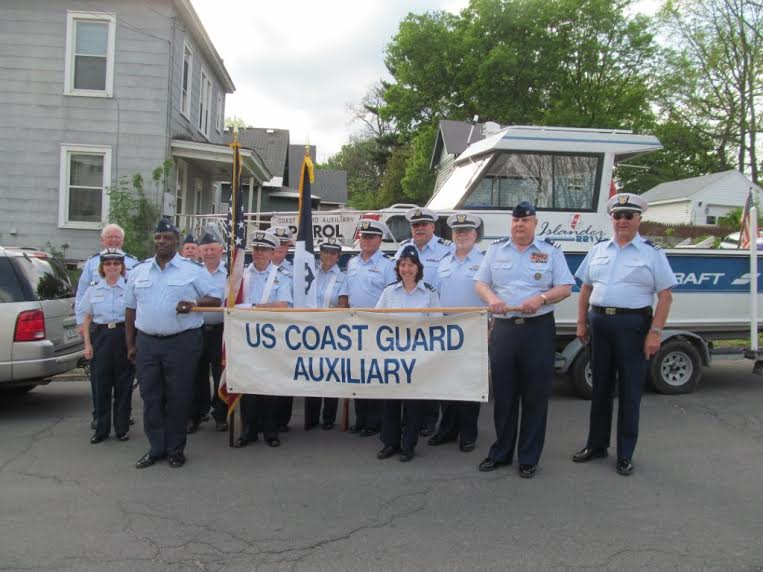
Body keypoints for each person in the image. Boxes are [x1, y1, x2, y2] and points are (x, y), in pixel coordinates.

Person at [572, 193, 676, 476]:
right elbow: (585, 289)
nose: (622, 221)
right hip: (599, 324)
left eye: (628, 216)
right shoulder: (598, 250)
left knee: (630, 391)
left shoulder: (651, 253)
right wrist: (581, 323)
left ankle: (625, 453)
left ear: (638, 219)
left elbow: (665, 297)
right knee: (600, 388)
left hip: (633, 326)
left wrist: (655, 333)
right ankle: (596, 445)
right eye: (617, 216)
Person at [474, 201, 575, 478]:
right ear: (511, 223)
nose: (519, 225)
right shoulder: (495, 250)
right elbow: (480, 283)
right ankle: (501, 452)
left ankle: (528, 458)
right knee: (504, 396)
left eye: (525, 220)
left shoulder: (550, 251)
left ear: (535, 223)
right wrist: (492, 299)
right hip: (505, 330)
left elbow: (566, 287)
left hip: (538, 329)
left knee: (535, 396)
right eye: (516, 221)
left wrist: (541, 298)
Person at [124, 219, 222, 469]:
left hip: (182, 342)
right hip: (147, 342)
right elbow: (130, 310)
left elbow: (215, 298)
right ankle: (156, 448)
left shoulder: (192, 270)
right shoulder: (139, 270)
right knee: (151, 397)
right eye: (158, 238)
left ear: (176, 241)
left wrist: (193, 305)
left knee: (178, 397)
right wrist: (131, 345)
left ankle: (176, 449)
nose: (161, 242)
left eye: (166, 238)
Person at [375, 245, 441, 462]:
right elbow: (376, 320)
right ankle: (390, 443)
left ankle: (408, 445)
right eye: (402, 264)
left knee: (413, 404)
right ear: (398, 268)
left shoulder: (429, 293)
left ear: (418, 267)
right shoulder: (389, 292)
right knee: (391, 401)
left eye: (410, 264)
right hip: (392, 354)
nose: (406, 269)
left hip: (417, 356)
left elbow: (437, 324)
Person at [428, 213, 486, 452]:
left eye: (467, 231)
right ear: (452, 235)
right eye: (458, 231)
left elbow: (493, 295)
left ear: (475, 235)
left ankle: (468, 432)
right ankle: (447, 429)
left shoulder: (485, 261)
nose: (461, 235)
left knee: (470, 383)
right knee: (447, 382)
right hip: (446, 330)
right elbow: (434, 296)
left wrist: (491, 325)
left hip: (474, 328)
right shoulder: (443, 262)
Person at [394, 207, 454, 436]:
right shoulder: (403, 248)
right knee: (408, 372)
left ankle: (429, 420)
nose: (419, 228)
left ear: (432, 226)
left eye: (424, 225)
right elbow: (397, 281)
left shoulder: (445, 249)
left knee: (430, 372)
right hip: (406, 324)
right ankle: (409, 419)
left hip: (433, 319)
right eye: (415, 225)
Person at [233, 230, 293, 448]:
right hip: (245, 336)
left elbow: (283, 305)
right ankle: (248, 430)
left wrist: (254, 307)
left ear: (272, 252)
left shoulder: (281, 277)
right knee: (248, 385)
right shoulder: (241, 275)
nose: (258, 253)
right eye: (256, 249)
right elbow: (230, 303)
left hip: (271, 337)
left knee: (270, 385)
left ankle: (271, 431)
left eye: (264, 249)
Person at [75, 224, 138, 429]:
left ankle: (122, 420)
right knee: (100, 380)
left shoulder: (133, 263)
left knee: (124, 379)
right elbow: (82, 292)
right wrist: (80, 324)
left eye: (117, 237)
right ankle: (99, 418)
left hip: (123, 330)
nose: (113, 241)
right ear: (103, 241)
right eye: (109, 237)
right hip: (99, 330)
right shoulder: (92, 262)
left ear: (123, 240)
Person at [346, 219, 397, 437]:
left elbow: (392, 297)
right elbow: (347, 295)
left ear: (380, 239)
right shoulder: (352, 263)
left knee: (375, 374)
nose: (365, 241)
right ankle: (361, 418)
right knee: (358, 374)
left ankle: (374, 421)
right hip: (356, 325)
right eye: (363, 237)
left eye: (370, 237)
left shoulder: (388, 265)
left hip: (378, 326)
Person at [80, 248, 134, 444]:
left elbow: (135, 315)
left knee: (124, 386)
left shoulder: (129, 287)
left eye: (116, 263)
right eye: (108, 264)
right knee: (101, 385)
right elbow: (87, 318)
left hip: (123, 336)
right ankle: (101, 430)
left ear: (122, 267)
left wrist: (134, 344)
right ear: (102, 267)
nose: (112, 267)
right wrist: (87, 344)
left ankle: (122, 429)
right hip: (101, 337)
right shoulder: (93, 289)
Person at [304, 238, 349, 431]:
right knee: (311, 372)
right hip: (310, 330)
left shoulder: (343, 277)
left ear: (338, 256)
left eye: (333, 252)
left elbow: (344, 305)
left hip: (332, 331)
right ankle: (311, 417)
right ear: (320, 253)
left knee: (331, 373)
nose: (328, 256)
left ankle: (328, 418)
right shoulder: (310, 272)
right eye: (325, 251)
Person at [187, 232, 228, 434]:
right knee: (195, 374)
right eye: (205, 249)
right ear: (199, 252)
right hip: (196, 329)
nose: (210, 253)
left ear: (221, 249)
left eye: (213, 248)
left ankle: (220, 414)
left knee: (221, 374)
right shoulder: (191, 272)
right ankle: (195, 415)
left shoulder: (231, 272)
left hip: (222, 330)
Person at [269, 225, 294, 431]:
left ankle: (282, 421)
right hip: (260, 332)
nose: (279, 248)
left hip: (286, 329)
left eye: (283, 244)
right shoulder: (254, 268)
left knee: (285, 375)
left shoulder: (296, 271)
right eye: (275, 244)